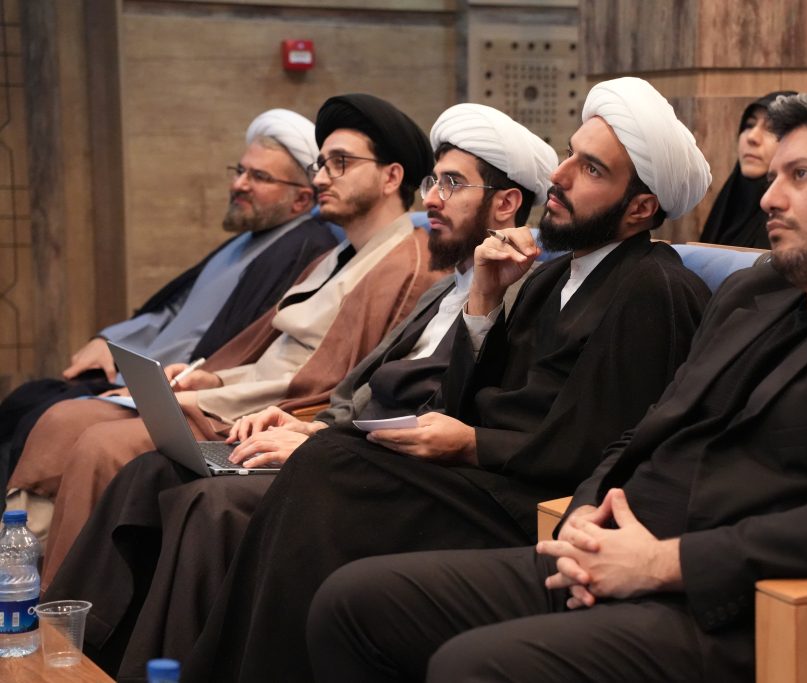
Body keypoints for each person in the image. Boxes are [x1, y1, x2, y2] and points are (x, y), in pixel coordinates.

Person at [305, 90, 807, 683]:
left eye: (801, 175)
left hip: (732, 603)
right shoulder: (758, 290)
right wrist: (585, 515)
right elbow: (646, 428)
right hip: (613, 554)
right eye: (775, 177)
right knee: (357, 600)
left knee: (474, 665)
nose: (770, 197)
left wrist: (663, 564)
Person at [173, 76, 712, 683]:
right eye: (569, 154)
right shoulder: (547, 277)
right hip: (482, 476)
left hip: (532, 501)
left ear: (640, 208)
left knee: (331, 464)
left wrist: (472, 444)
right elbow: (459, 402)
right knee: (331, 451)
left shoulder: (655, 287)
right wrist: (483, 300)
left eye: (590, 169)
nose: (559, 177)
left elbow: (600, 445)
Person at [44, 101, 559, 681]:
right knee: (151, 473)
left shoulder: (524, 298)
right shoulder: (442, 291)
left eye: (452, 184)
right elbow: (354, 387)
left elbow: (453, 414)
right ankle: (62, 657)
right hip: (335, 447)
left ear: (506, 203)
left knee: (208, 507)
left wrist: (321, 440)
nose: (431, 199)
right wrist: (305, 425)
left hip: (382, 474)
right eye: (433, 182)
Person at [9, 93, 442, 586]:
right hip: (239, 394)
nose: (322, 177)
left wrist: (210, 398)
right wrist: (210, 378)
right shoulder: (336, 256)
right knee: (63, 418)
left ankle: (61, 607)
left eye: (340, 163)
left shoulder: (407, 263)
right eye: (321, 164)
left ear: (391, 177)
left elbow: (337, 384)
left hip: (269, 412)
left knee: (102, 445)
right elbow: (270, 350)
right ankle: (21, 574)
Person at [0, 108, 338, 484]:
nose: (239, 184)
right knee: (27, 400)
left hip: (180, 385)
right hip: (145, 372)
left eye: (259, 177)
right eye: (240, 171)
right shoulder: (248, 240)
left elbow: (241, 347)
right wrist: (109, 340)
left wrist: (154, 387)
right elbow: (173, 308)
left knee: (48, 415)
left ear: (301, 200)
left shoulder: (302, 249)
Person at [700, 91, 795, 248]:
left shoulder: (794, 221)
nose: (752, 137)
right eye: (749, 125)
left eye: (772, 128)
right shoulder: (728, 204)